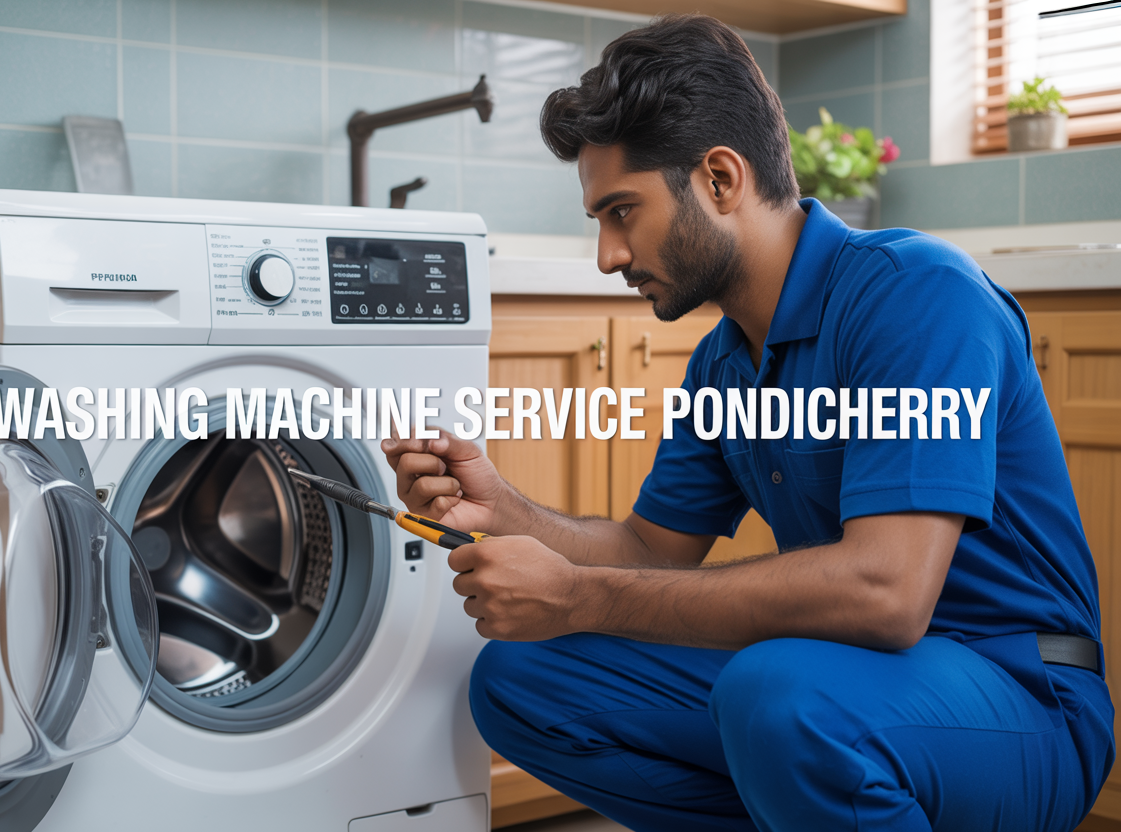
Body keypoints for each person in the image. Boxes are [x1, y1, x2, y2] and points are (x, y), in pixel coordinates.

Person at [380, 14, 1113, 832]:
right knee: (522, 681)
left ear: (721, 179)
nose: (606, 256)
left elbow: (887, 594)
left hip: (1021, 698)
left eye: (621, 211)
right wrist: (503, 508)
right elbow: (650, 553)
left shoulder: (915, 293)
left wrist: (584, 594)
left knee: (779, 696)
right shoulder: (724, 364)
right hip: (849, 682)